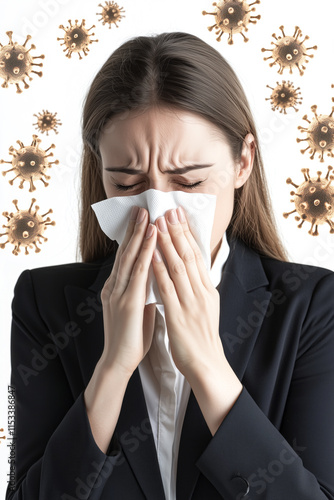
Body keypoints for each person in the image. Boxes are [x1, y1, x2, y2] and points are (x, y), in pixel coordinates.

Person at [6, 31, 334, 500]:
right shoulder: (45, 304)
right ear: (100, 172)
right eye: (126, 183)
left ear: (243, 162)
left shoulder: (313, 307)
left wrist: (207, 366)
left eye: (189, 181)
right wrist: (112, 370)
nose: (158, 210)